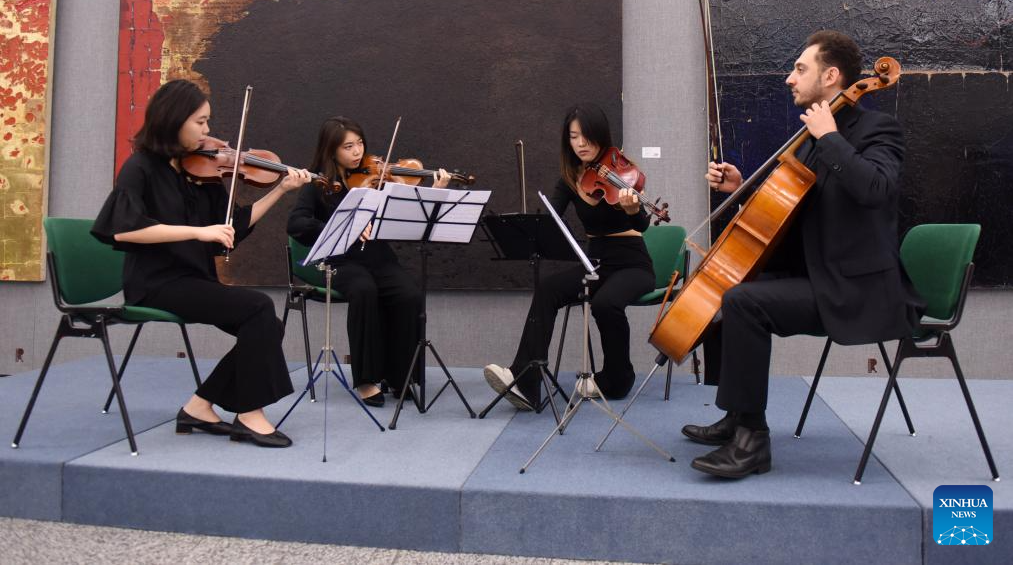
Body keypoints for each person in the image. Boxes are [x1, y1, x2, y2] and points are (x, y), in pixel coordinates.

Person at [682, 30, 924, 479]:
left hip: (857, 289)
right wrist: (741, 189)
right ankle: (737, 415)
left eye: (800, 69)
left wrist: (830, 137)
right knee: (732, 285)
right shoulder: (811, 140)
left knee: (743, 303)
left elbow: (877, 189)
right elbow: (791, 215)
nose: (789, 79)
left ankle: (752, 443)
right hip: (819, 275)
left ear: (831, 76)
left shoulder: (876, 130)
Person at [91, 79, 312, 448]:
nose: (208, 131)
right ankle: (250, 413)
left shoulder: (200, 171)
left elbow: (234, 225)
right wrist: (197, 232)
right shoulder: (140, 167)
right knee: (258, 307)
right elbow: (125, 231)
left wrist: (281, 190)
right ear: (173, 119)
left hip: (194, 278)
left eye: (207, 121)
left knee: (266, 325)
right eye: (200, 121)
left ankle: (199, 406)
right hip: (156, 282)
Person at [483, 103, 655, 410]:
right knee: (548, 288)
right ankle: (525, 381)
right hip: (596, 263)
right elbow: (552, 219)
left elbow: (642, 224)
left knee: (605, 303)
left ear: (600, 136)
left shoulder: (621, 173)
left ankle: (617, 378)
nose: (580, 143)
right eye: (574, 137)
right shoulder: (569, 180)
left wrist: (633, 209)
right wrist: (529, 227)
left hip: (633, 264)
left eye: (586, 136)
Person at [286, 117, 452, 406]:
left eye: (360, 143)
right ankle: (366, 379)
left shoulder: (377, 178)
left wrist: (434, 193)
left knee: (409, 294)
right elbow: (296, 223)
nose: (357, 152)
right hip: (338, 260)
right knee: (364, 289)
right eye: (348, 146)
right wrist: (343, 225)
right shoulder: (318, 183)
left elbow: (409, 213)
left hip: (377, 257)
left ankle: (400, 376)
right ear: (331, 150)